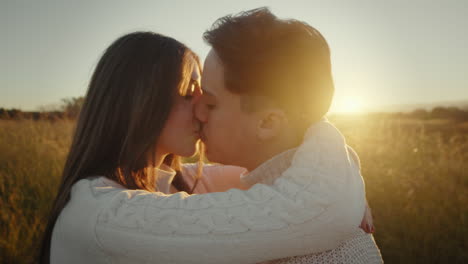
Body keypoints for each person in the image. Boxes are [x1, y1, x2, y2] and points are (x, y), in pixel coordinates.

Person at [40, 19, 378, 264]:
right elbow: (312, 205)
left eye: (210, 100)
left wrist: (346, 179)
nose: (201, 109)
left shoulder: (183, 180)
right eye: (190, 94)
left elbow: (293, 184)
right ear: (140, 103)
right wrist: (337, 171)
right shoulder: (100, 215)